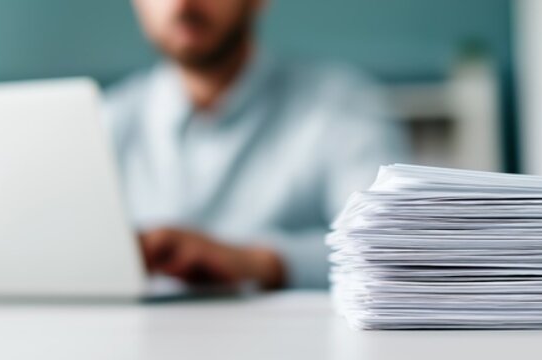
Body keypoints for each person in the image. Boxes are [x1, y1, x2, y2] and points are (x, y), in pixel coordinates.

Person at [105, 0, 408, 290]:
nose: (182, 4)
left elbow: (391, 246)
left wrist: (258, 263)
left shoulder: (340, 106)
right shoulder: (107, 118)